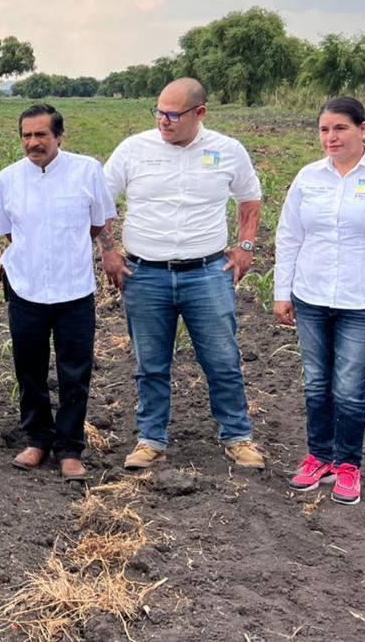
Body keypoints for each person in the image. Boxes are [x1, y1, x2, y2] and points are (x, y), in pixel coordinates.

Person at [102, 77, 267, 470]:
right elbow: (99, 201)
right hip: (145, 274)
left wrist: (245, 247)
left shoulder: (227, 151)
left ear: (200, 113)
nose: (164, 121)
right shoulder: (133, 150)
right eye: (159, 112)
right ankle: (150, 439)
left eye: (174, 114)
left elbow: (250, 199)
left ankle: (237, 436)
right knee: (150, 364)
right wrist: (109, 251)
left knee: (222, 359)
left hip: (207, 273)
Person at [275, 96, 365, 506]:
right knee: (317, 384)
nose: (330, 137)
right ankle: (319, 457)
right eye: (324, 129)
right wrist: (281, 293)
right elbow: (289, 237)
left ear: (363, 129)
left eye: (340, 128)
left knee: (349, 389)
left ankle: (348, 465)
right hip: (312, 297)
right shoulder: (309, 178)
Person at [0, 104, 114, 480]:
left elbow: (97, 224)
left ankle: (69, 448)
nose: (33, 143)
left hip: (74, 287)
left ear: (59, 136)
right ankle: (36, 440)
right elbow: (10, 232)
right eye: (27, 136)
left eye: (41, 135)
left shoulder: (86, 171)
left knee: (74, 372)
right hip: (26, 286)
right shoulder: (9, 178)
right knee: (29, 369)